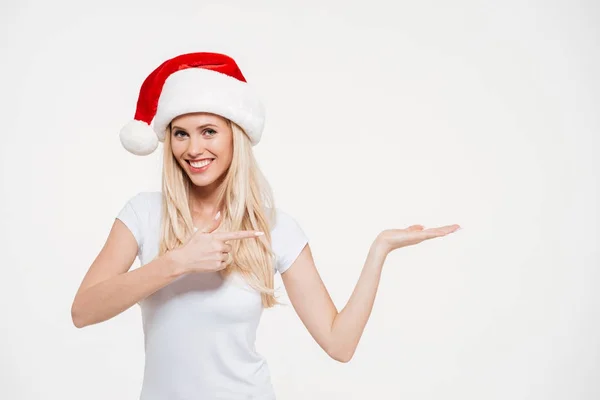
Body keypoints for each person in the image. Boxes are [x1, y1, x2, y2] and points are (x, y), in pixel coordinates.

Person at [70, 52, 461, 400]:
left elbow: (339, 344)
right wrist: (177, 262)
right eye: (180, 134)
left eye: (209, 131)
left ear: (235, 136)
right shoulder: (143, 213)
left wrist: (380, 250)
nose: (193, 149)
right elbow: (83, 311)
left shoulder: (276, 229)